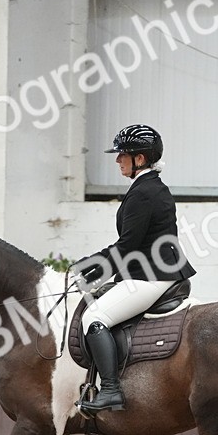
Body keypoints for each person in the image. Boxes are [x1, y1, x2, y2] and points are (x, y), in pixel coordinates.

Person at [71, 124, 197, 412]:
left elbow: (128, 245)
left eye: (122, 155)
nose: (117, 160)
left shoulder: (144, 192)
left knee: (95, 319)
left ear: (139, 159)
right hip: (154, 270)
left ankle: (111, 390)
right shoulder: (149, 187)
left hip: (152, 275)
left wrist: (93, 267)